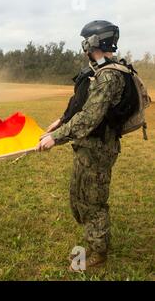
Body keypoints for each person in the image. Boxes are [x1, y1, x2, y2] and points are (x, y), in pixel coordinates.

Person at [37, 20, 127, 270]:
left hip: (99, 149)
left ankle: (98, 254)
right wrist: (61, 121)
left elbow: (89, 118)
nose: (84, 46)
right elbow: (81, 104)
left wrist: (56, 137)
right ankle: (93, 240)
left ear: (93, 42)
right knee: (79, 198)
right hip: (87, 147)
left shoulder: (109, 76)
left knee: (93, 202)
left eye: (85, 41)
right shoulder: (100, 71)